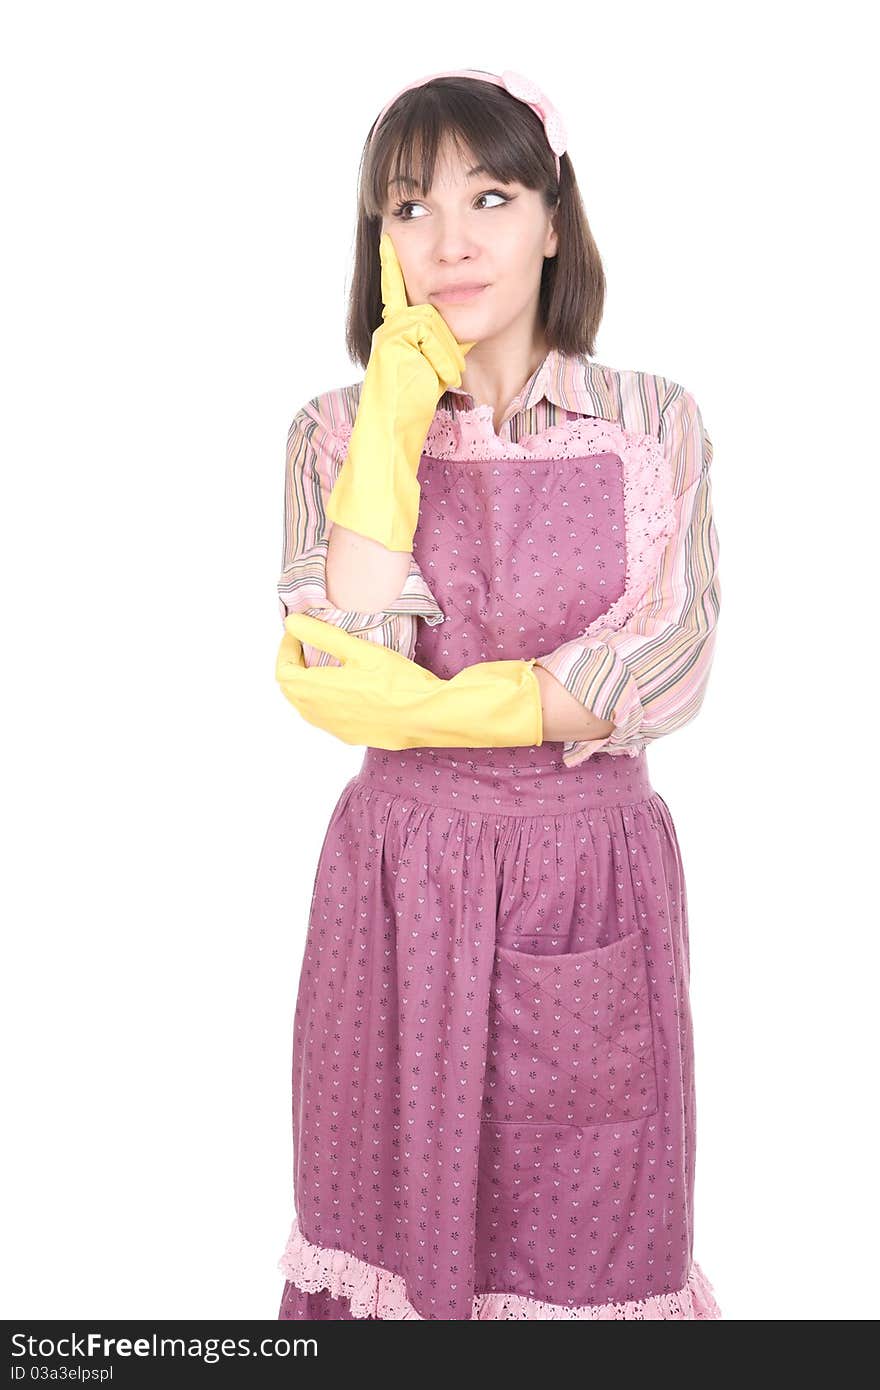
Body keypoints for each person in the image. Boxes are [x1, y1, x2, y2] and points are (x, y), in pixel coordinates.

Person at [273, 68, 723, 1321]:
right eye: (410, 209)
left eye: (491, 194)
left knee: (587, 1230)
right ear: (377, 241)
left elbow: (669, 660)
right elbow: (338, 645)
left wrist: (425, 706)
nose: (451, 241)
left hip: (583, 877)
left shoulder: (652, 421)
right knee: (384, 1219)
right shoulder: (332, 428)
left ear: (550, 214)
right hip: (394, 882)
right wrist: (395, 417)